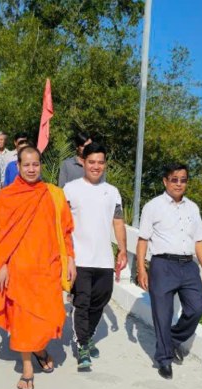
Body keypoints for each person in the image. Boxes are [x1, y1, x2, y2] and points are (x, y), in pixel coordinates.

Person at [0, 146, 75, 389]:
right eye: (26, 164)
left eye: (35, 164)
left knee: (48, 317)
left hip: (48, 267)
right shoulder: (7, 195)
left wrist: (70, 259)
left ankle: (39, 347)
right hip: (19, 268)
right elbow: (1, 233)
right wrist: (1, 264)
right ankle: (27, 368)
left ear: (41, 165)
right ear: (18, 165)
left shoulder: (53, 194)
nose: (31, 169)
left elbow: (66, 231)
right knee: (23, 320)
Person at [135, 163, 202, 380]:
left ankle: (173, 339)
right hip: (162, 265)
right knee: (162, 314)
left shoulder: (192, 208)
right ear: (165, 181)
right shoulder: (153, 206)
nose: (179, 184)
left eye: (183, 180)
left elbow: (199, 240)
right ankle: (165, 359)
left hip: (188, 266)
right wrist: (142, 269)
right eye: (174, 179)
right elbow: (143, 240)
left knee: (196, 308)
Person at [63, 143, 127, 371]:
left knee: (101, 299)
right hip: (79, 258)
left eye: (100, 162)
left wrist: (121, 248)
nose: (96, 166)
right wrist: (67, 256)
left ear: (105, 164)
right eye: (92, 162)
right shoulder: (70, 189)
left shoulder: (112, 191)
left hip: (103, 259)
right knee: (82, 302)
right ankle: (81, 345)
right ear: (83, 162)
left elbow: (117, 221)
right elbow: (62, 225)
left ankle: (87, 335)